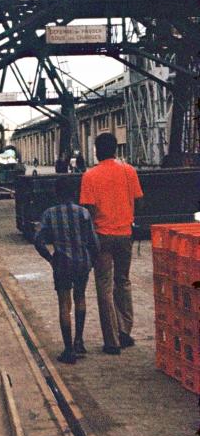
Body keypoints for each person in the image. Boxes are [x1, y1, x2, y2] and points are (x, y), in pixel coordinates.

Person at [79, 132, 144, 354]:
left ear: (97, 151)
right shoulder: (129, 171)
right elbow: (139, 201)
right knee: (123, 281)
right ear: (115, 149)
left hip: (102, 236)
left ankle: (112, 341)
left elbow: (88, 210)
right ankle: (125, 331)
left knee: (104, 286)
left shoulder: (90, 175)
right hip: (125, 234)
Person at [35, 176, 99, 363]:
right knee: (80, 298)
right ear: (74, 193)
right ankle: (79, 341)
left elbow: (38, 240)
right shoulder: (84, 213)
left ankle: (68, 350)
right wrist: (91, 260)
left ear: (56, 193)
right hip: (82, 262)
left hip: (62, 263)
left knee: (64, 304)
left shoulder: (49, 214)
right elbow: (94, 242)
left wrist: (50, 258)